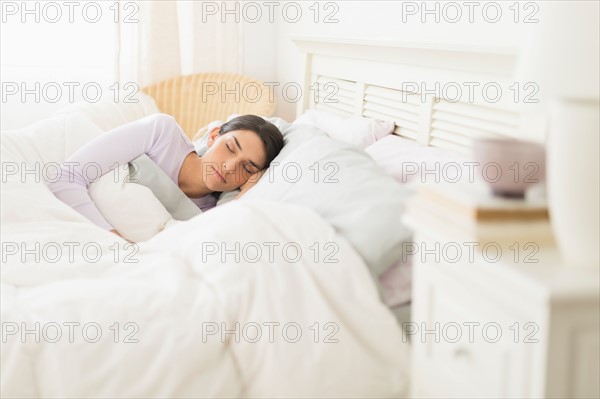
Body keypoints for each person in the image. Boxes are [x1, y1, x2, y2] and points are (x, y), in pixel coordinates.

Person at [48, 113, 284, 238]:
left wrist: (246, 196)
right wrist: (112, 238)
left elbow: (207, 244)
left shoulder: (208, 214)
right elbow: (67, 177)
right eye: (230, 148)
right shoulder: (162, 134)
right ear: (213, 136)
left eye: (248, 168)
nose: (231, 167)